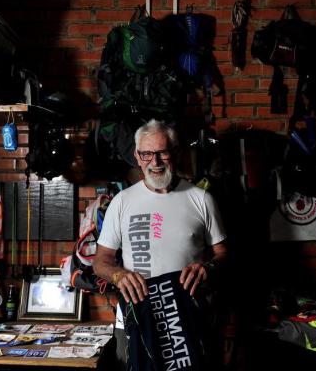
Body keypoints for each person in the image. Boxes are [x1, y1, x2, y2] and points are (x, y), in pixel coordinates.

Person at [93, 119, 227, 369]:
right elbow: (101, 262)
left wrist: (207, 267)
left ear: (175, 153)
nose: (154, 162)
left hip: (188, 317)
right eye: (146, 154)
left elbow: (224, 254)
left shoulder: (201, 199)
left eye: (162, 153)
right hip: (137, 317)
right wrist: (118, 275)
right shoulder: (122, 202)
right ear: (136, 155)